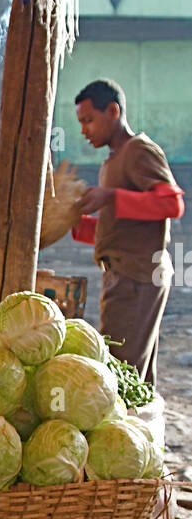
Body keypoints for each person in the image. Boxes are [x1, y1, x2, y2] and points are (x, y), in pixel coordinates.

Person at [72, 78, 185, 385]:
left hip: (138, 276)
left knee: (122, 375)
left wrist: (109, 197)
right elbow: (119, 227)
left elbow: (171, 203)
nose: (84, 130)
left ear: (113, 111)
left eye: (89, 120)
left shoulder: (138, 150)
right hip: (121, 276)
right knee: (133, 373)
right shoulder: (111, 162)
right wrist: (73, 222)